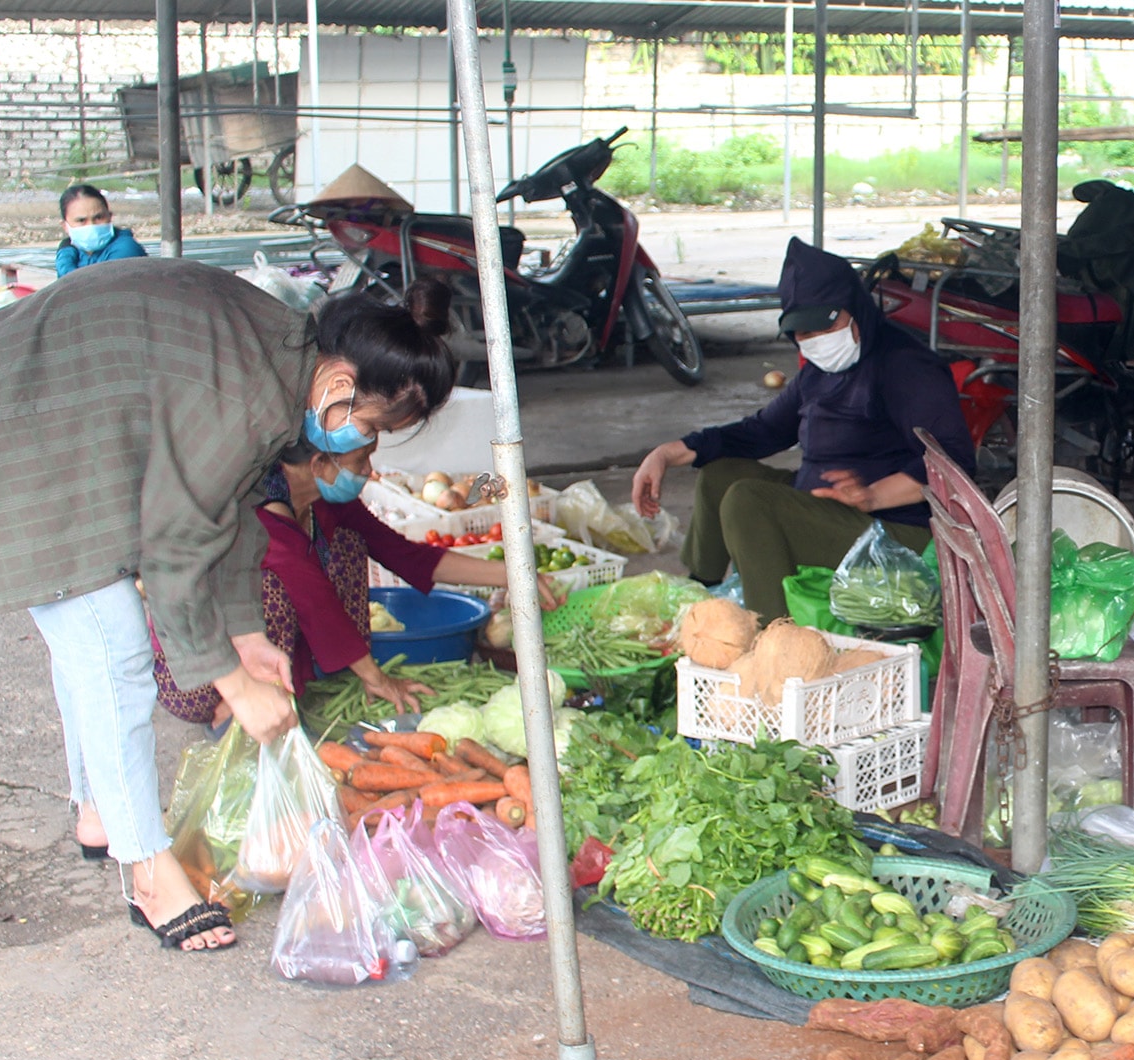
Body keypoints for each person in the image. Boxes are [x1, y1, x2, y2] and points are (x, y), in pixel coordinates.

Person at [0, 259, 458, 953]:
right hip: (16, 416)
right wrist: (232, 681)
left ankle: (100, 810)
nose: (361, 445)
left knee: (91, 633)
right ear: (341, 385)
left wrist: (246, 632)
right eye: (369, 426)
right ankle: (148, 871)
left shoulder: (281, 366)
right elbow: (176, 542)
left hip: (54, 412)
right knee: (112, 643)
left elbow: (234, 506)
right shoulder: (249, 393)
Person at [630, 237, 974, 621]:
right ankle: (697, 600)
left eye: (821, 328)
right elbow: (761, 432)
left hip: (896, 533)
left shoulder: (905, 368)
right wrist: (665, 454)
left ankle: (774, 633)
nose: (811, 342)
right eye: (801, 333)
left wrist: (871, 496)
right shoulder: (819, 374)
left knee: (748, 501)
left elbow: (953, 462)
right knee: (721, 475)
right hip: (828, 509)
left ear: (856, 310)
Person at [151, 447, 560, 726]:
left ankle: (305, 681)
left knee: (348, 541)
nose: (369, 471)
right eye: (361, 459)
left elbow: (402, 554)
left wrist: (515, 574)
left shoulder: (329, 502)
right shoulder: (260, 513)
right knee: (276, 584)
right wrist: (378, 678)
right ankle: (241, 705)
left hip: (275, 650)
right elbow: (315, 601)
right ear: (317, 464)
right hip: (199, 669)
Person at [54, 183, 148, 277]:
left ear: (110, 217)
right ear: (65, 226)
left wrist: (64, 257)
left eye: (98, 217)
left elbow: (87, 285)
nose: (91, 225)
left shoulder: (126, 248)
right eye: (81, 220)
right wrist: (65, 251)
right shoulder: (74, 251)